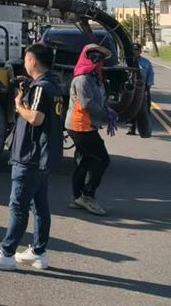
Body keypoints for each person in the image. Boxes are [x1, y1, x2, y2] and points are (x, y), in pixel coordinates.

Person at [0, 44, 62, 271]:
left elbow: (35, 118)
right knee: (39, 205)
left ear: (33, 61)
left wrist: (18, 105)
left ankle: (6, 253)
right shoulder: (52, 85)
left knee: (18, 205)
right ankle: (38, 251)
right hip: (42, 156)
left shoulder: (42, 87)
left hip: (30, 156)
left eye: (26, 58)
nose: (24, 62)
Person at [66, 43, 114, 216]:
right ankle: (87, 195)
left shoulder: (95, 77)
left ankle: (77, 197)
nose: (97, 58)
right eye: (93, 55)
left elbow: (98, 100)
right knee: (102, 159)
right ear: (86, 57)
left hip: (85, 124)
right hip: (81, 125)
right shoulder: (83, 78)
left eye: (99, 56)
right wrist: (106, 112)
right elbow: (87, 104)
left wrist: (107, 109)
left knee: (85, 161)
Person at [126, 43, 154, 137]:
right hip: (130, 87)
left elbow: (150, 75)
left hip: (142, 87)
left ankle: (145, 129)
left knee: (144, 108)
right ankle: (131, 127)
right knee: (130, 107)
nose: (135, 51)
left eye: (136, 50)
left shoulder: (146, 62)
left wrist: (148, 86)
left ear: (140, 51)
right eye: (133, 50)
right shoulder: (126, 61)